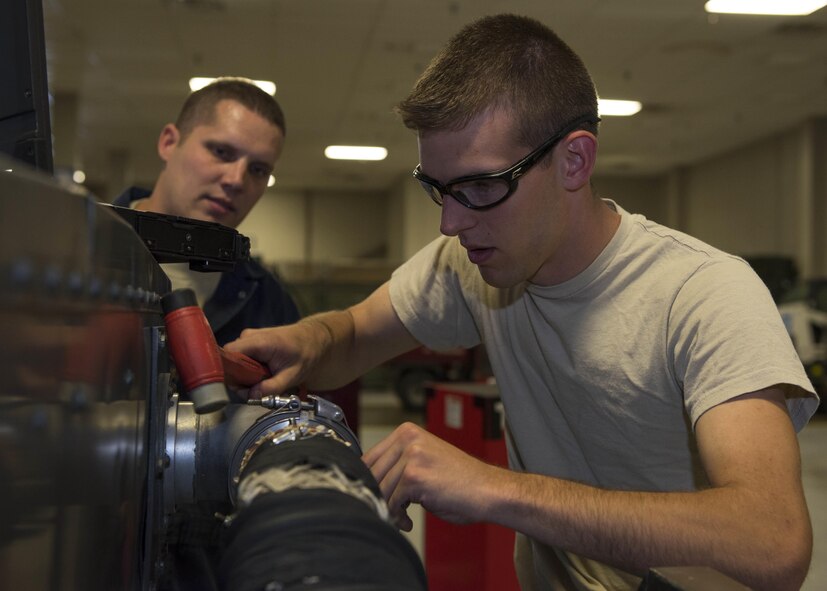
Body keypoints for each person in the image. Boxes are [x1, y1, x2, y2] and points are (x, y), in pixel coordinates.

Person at [226, 14, 818, 591]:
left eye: (482, 187)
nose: (452, 223)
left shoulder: (704, 294)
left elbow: (771, 543)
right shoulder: (477, 263)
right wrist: (308, 340)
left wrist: (495, 488)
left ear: (575, 161)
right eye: (438, 189)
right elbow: (355, 335)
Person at [113, 77, 300, 345]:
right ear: (168, 143)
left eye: (258, 170)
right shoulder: (79, 250)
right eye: (222, 152)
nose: (236, 180)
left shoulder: (270, 303)